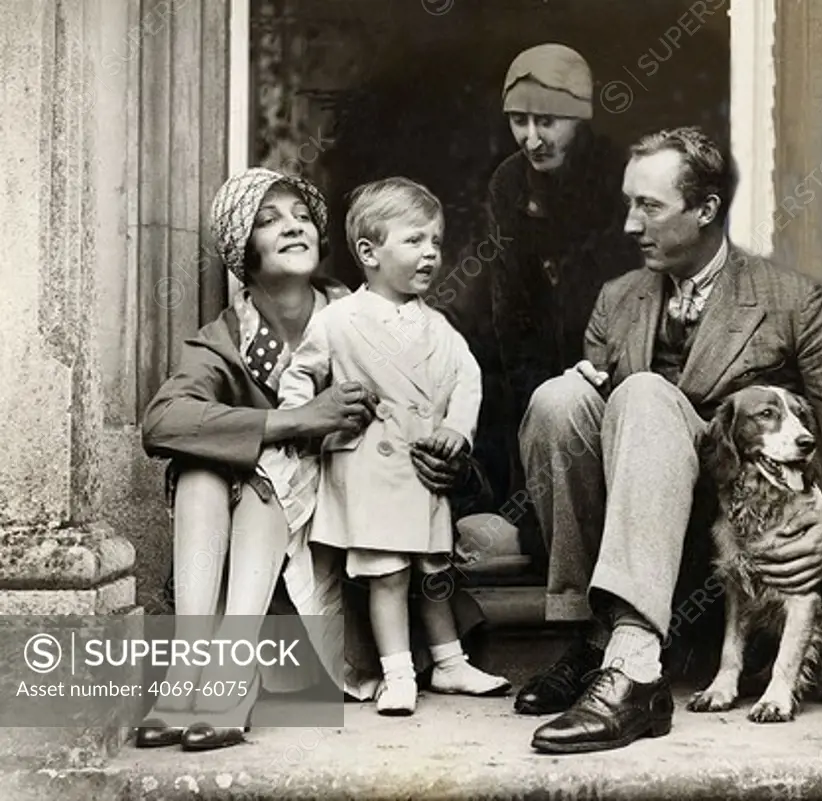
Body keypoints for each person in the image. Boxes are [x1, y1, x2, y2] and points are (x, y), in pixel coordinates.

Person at [515, 126, 822, 754]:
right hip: (639, 536)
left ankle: (635, 670)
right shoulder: (615, 301)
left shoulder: (789, 301)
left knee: (644, 393)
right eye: (628, 204)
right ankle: (593, 640)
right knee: (558, 400)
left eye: (648, 206)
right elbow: (592, 437)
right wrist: (589, 388)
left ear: (705, 210)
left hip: (732, 554)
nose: (628, 225)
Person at [138, 168, 466, 750]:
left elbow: (443, 412)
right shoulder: (226, 337)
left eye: (299, 215)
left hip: (347, 541)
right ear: (243, 250)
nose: (291, 225)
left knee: (260, 477)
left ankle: (229, 672)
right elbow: (163, 420)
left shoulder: (370, 313)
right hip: (251, 556)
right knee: (200, 469)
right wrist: (297, 420)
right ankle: (191, 667)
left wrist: (454, 461)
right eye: (267, 220)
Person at [258, 177, 511, 716]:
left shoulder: (441, 328)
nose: (431, 254)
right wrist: (310, 424)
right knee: (388, 573)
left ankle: (448, 661)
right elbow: (299, 378)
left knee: (436, 574)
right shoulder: (338, 321)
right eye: (415, 241)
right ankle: (398, 672)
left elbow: (468, 379)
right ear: (370, 253)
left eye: (437, 243)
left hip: (423, 470)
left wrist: (459, 431)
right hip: (369, 469)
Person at [480, 43, 637, 539]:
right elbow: (512, 309)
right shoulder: (508, 184)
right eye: (519, 121)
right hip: (539, 358)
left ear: (580, 118)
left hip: (617, 353)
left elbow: (636, 287)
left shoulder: (620, 174)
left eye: (547, 121)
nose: (531, 139)